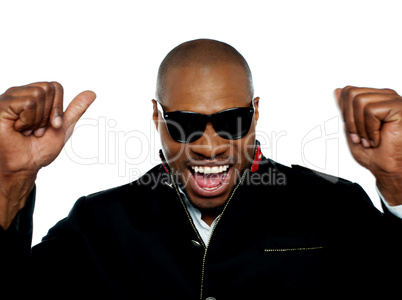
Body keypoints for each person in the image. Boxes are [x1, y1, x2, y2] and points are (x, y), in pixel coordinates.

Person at [1, 39, 401, 299]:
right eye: (186, 125)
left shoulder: (334, 205)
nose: (210, 146)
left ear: (256, 113)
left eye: (231, 121)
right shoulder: (97, 224)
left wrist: (398, 183)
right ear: (156, 117)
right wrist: (9, 183)